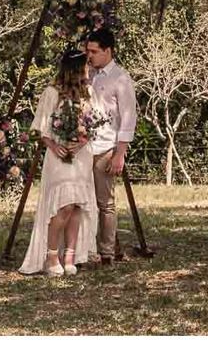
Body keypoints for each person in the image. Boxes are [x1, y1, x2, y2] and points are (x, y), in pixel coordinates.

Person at [16, 48, 108, 278]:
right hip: (58, 156)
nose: (89, 69)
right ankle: (51, 255)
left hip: (81, 155)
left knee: (76, 204)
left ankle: (70, 255)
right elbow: (41, 127)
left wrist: (82, 140)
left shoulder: (88, 92)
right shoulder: (51, 92)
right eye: (85, 65)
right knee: (63, 205)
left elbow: (97, 123)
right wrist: (54, 145)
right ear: (75, 68)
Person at [82, 27, 137, 264]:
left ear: (108, 51)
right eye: (88, 51)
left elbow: (128, 117)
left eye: (94, 51)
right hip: (84, 147)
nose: (90, 56)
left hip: (106, 147)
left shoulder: (121, 79)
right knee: (83, 200)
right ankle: (86, 249)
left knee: (105, 203)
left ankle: (107, 252)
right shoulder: (89, 74)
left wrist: (120, 153)